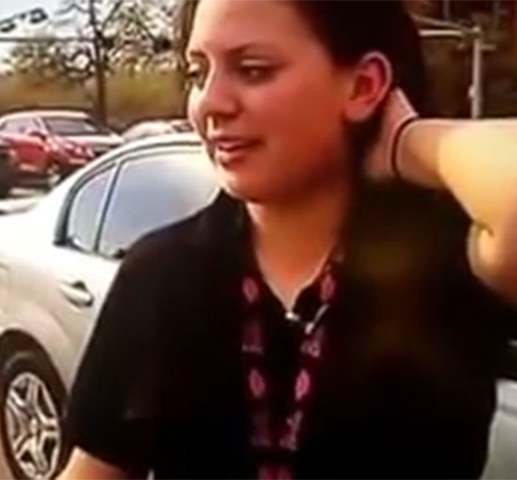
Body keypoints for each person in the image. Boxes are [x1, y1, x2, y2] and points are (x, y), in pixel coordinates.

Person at [59, 0, 517, 478]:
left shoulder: (447, 265)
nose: (210, 103)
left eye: (253, 69)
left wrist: (408, 137)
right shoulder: (162, 276)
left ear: (363, 86)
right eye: (197, 73)